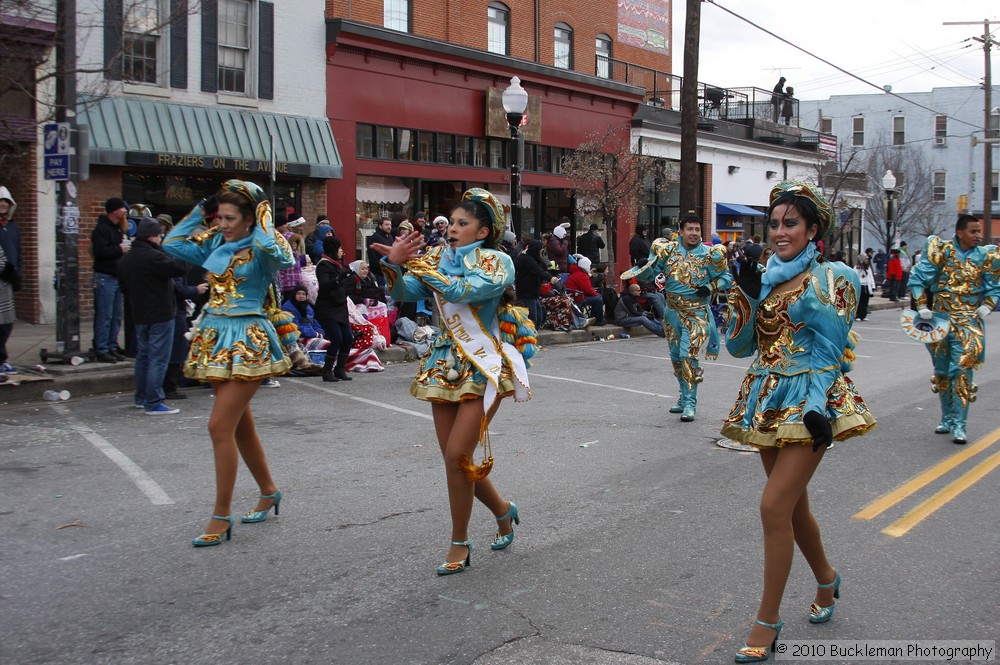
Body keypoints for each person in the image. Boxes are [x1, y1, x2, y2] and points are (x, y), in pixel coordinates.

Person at [722, 180, 876, 662]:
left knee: (773, 507)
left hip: (813, 402)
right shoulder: (763, 277)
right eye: (773, 223)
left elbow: (833, 347)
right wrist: (745, 294)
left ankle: (767, 621)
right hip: (766, 399)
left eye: (791, 223)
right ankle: (827, 581)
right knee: (792, 508)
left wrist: (814, 406)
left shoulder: (835, 276)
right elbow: (739, 347)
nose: (779, 231)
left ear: (813, 230)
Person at [370, 188, 531, 575]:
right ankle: (502, 510)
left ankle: (459, 541)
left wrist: (421, 266)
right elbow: (404, 292)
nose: (452, 229)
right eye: (452, 222)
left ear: (482, 231)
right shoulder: (440, 258)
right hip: (442, 362)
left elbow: (465, 290)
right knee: (455, 461)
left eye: (462, 223)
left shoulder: (497, 260)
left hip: (481, 364)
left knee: (457, 456)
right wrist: (394, 265)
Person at [162, 179, 295, 547]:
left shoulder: (264, 246)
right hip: (214, 336)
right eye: (219, 217)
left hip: (247, 338)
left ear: (251, 217)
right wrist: (199, 210)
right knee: (239, 427)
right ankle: (268, 490)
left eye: (230, 217)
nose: (222, 224)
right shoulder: (215, 243)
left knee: (218, 426)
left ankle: (221, 515)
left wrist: (265, 217)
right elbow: (172, 243)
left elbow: (282, 256)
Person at [622, 213, 732, 421]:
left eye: (697, 229)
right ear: (680, 231)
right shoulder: (668, 251)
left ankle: (691, 402)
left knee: (688, 356)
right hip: (671, 312)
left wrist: (710, 286)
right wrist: (642, 266)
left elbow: (726, 277)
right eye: (690, 229)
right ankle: (683, 396)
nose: (694, 233)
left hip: (697, 313)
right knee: (675, 357)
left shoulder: (710, 254)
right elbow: (651, 274)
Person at [907, 215, 999, 444]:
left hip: (968, 320)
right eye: (973, 231)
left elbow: (993, 288)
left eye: (979, 231)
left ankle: (960, 424)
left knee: (961, 370)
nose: (978, 235)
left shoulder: (985, 256)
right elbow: (918, 280)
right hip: (939, 318)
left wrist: (987, 306)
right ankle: (946, 417)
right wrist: (921, 306)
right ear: (960, 233)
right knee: (942, 371)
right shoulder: (942, 251)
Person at [117, 218, 188, 414]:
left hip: (139, 313)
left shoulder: (126, 259)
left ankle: (141, 397)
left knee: (144, 357)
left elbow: (123, 287)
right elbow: (179, 268)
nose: (160, 239)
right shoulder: (154, 257)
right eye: (159, 236)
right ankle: (153, 401)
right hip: (160, 312)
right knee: (158, 358)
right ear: (152, 237)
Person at [92, 196, 131, 362]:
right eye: (122, 208)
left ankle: (112, 345)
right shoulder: (102, 229)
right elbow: (99, 251)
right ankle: (101, 348)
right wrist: (119, 249)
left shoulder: (118, 229)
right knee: (105, 314)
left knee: (116, 315)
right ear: (114, 210)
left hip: (117, 276)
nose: (125, 211)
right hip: (105, 276)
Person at [314, 236, 356, 382]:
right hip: (327, 307)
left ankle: (340, 369)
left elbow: (344, 286)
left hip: (340, 306)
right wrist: (338, 279)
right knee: (337, 338)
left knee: (348, 338)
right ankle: (327, 371)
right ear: (333, 249)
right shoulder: (324, 265)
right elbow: (325, 284)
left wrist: (350, 279)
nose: (341, 251)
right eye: (339, 248)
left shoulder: (339, 264)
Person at [0, 186, 22, 374]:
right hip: (1, 277)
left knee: (7, 322)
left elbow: (17, 251)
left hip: (8, 280)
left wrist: (18, 273)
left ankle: (2, 359)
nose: (3, 204)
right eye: (0, 201)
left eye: (6, 201)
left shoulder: (12, 226)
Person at [514, 239, 556, 329]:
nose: (542, 251)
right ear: (536, 249)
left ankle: (532, 334)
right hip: (527, 292)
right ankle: (530, 336)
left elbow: (542, 268)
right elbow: (538, 271)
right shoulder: (527, 259)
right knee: (533, 318)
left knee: (539, 315)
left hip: (533, 293)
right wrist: (550, 278)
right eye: (541, 249)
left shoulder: (533, 258)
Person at [565, 255, 606, 326]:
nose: (590, 268)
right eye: (589, 266)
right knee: (598, 299)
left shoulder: (576, 273)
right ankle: (599, 320)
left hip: (574, 295)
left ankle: (595, 317)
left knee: (597, 298)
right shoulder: (581, 275)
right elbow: (588, 290)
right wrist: (596, 294)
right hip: (577, 297)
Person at [366, 217, 394, 287]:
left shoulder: (390, 237)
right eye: (386, 225)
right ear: (380, 226)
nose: (389, 227)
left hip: (389, 272)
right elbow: (373, 257)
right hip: (379, 273)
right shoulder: (375, 237)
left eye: (390, 225)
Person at [854, 256, 875, 322]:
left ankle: (864, 315)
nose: (866, 260)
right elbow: (854, 275)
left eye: (867, 259)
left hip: (867, 286)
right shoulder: (857, 268)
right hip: (860, 285)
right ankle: (858, 315)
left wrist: (873, 286)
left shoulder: (868, 268)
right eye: (865, 259)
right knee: (860, 301)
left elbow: (871, 277)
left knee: (865, 301)